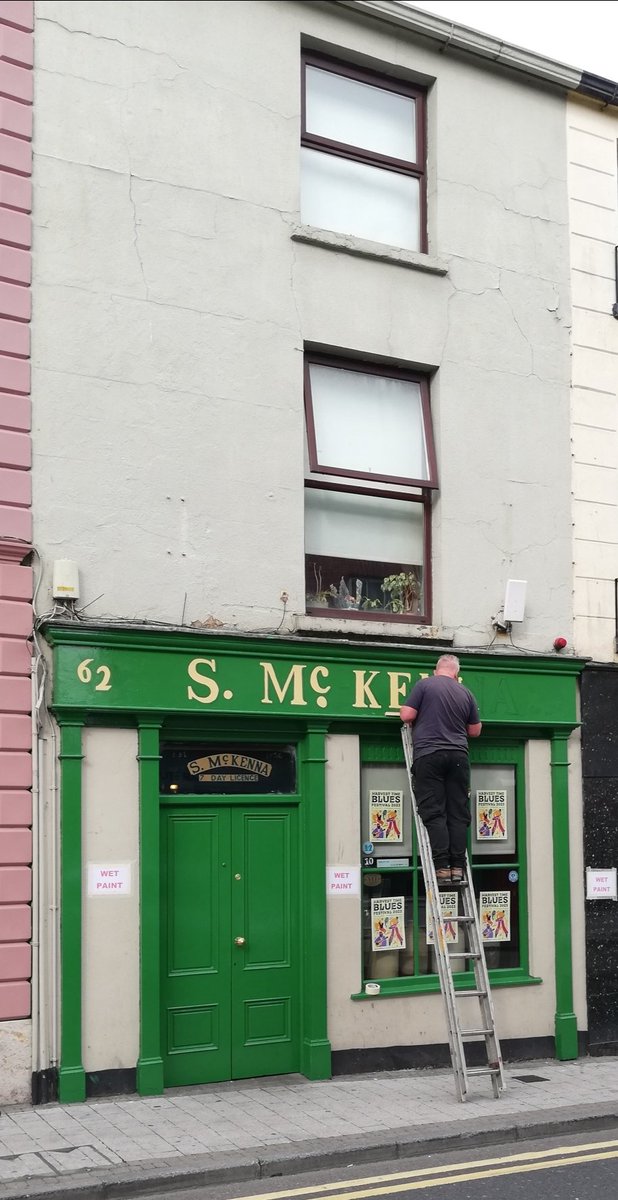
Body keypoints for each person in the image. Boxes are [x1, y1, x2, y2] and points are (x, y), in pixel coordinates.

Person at [400, 654, 481, 888]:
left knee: (434, 812)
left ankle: (442, 868)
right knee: (457, 812)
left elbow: (407, 715)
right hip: (458, 756)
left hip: (429, 754)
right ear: (456, 673)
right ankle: (458, 867)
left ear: (436, 670)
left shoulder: (425, 684)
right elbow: (475, 731)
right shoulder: (465, 692)